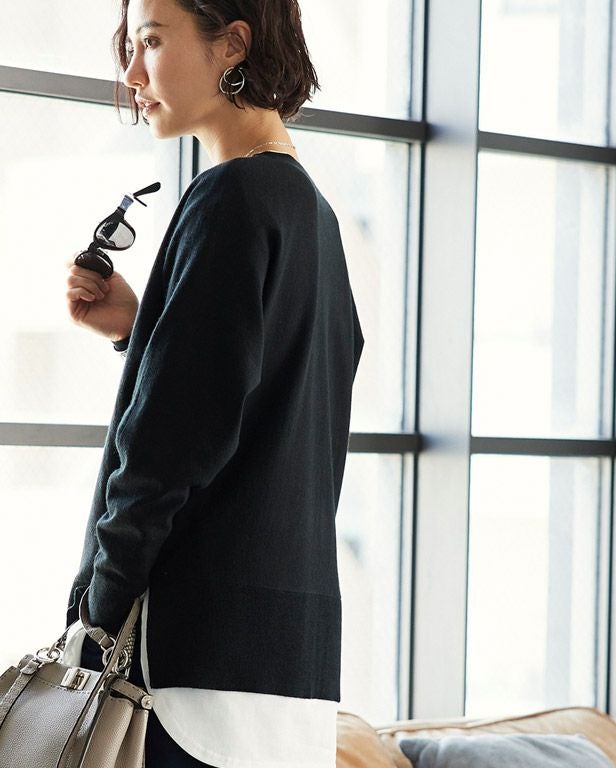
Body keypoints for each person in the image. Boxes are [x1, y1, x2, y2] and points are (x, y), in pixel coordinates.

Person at [62, 0, 365, 766]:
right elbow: (256, 406)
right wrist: (143, 330)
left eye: (151, 42)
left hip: (187, 668)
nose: (132, 74)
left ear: (232, 44)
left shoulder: (229, 199)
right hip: (288, 674)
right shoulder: (315, 217)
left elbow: (167, 448)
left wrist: (96, 615)